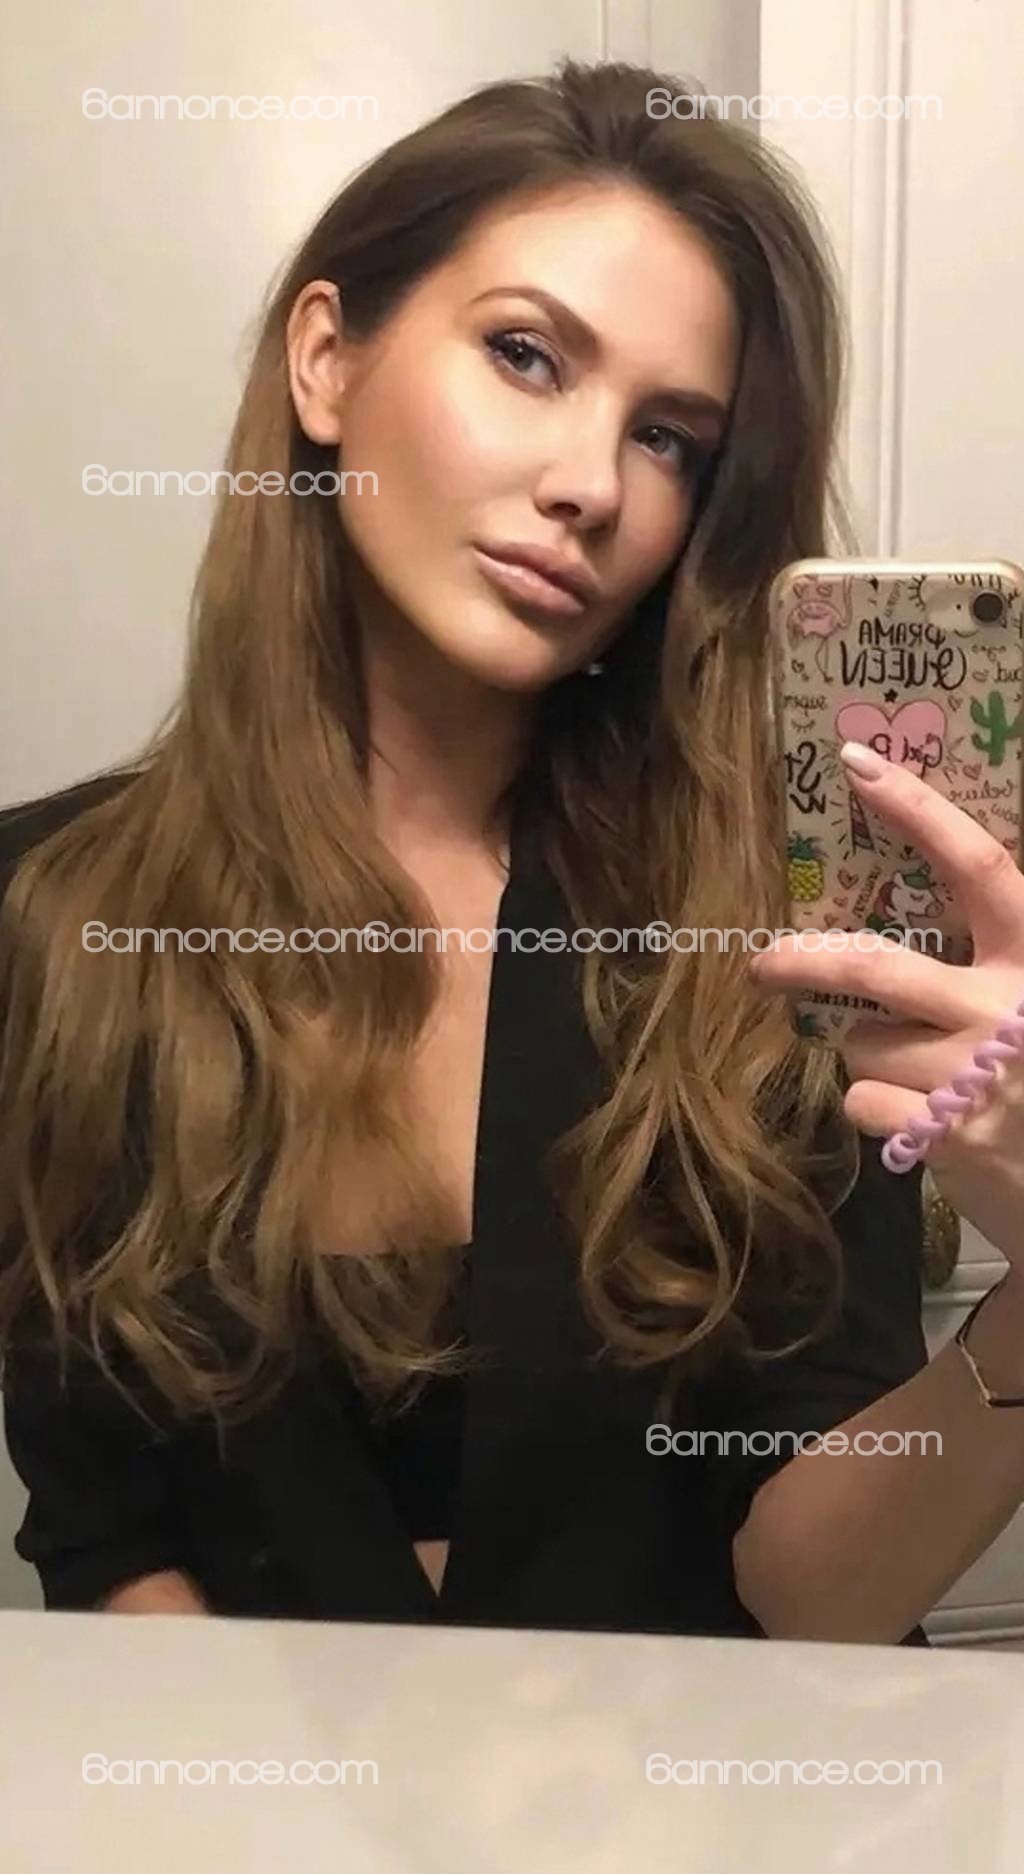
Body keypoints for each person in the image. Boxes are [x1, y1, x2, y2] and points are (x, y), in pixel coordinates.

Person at [3, 58, 1024, 1644]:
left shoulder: (772, 940)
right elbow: (106, 1532)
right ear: (327, 359)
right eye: (526, 355)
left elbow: (818, 1603)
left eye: (671, 437)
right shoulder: (56, 916)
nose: (590, 484)